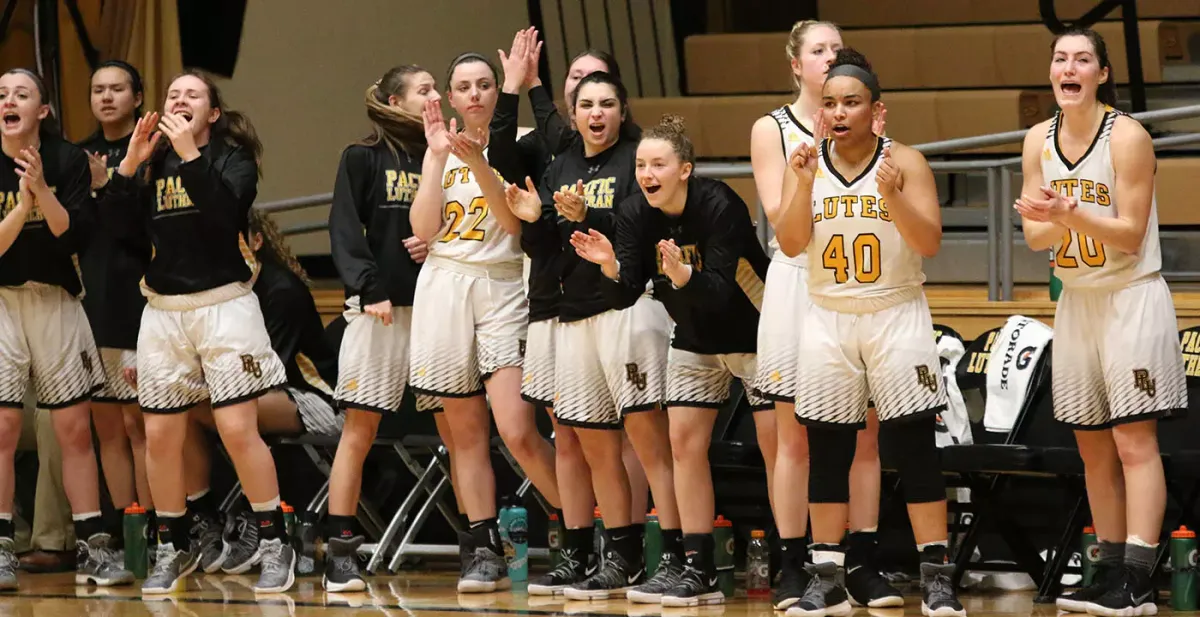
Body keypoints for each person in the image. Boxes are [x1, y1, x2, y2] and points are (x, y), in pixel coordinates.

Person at [775, 48, 964, 617]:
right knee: (827, 448)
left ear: (875, 109)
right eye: (829, 103)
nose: (838, 112)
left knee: (913, 447)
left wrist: (892, 195)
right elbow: (788, 243)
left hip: (895, 311)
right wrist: (803, 183)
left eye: (851, 102)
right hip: (828, 314)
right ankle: (827, 575)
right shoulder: (804, 162)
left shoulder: (905, 161)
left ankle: (936, 576)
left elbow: (930, 241)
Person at [96, 69, 294, 595]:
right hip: (163, 309)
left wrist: (190, 157)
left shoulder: (231, 159)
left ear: (211, 114)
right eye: (172, 94)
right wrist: (130, 166)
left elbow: (223, 215)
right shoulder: (151, 163)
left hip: (224, 304)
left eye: (192, 95)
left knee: (235, 429)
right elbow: (116, 232)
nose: (179, 99)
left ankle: (276, 542)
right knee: (160, 434)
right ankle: (173, 542)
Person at [1015, 28, 1185, 617]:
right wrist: (1060, 218)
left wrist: (1068, 211)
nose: (1069, 67)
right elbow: (1035, 235)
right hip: (1078, 301)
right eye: (1060, 58)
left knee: (1134, 443)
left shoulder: (1129, 136)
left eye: (1082, 59)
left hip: (1130, 297)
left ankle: (1138, 580)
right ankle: (1106, 569)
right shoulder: (1038, 139)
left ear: (1101, 73)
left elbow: (1132, 235)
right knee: (1092, 449)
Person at [571, 115, 770, 606]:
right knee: (683, 445)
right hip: (694, 337)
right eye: (641, 164)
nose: (646, 173)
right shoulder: (636, 212)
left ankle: (792, 562)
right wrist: (611, 266)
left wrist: (682, 277)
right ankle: (695, 567)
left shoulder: (720, 203)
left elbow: (724, 291)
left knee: (780, 451)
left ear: (685, 169)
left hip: (758, 334)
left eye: (658, 163)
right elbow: (625, 295)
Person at [489, 29, 651, 596]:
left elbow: (637, 234)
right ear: (570, 104)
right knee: (569, 432)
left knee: (615, 437)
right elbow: (508, 169)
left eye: (602, 95)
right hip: (558, 307)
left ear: (620, 104)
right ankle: (579, 548)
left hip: (612, 307)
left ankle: (628, 548)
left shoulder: (633, 159)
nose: (592, 105)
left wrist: (586, 219)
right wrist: (536, 218)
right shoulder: (558, 161)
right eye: (579, 92)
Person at [748, 20, 900, 610]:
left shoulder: (864, 123)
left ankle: (860, 561)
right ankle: (794, 562)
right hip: (797, 281)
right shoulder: (774, 129)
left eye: (837, 49)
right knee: (795, 438)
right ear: (796, 64)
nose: (830, 57)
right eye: (818, 50)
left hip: (853, 284)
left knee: (863, 434)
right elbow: (780, 218)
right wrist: (809, 164)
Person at [408, 52, 560, 593]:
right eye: (464, 87)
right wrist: (432, 160)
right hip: (446, 286)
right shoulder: (438, 149)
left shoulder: (521, 143)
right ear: (450, 97)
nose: (474, 94)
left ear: (499, 90)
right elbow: (423, 229)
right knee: (464, 436)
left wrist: (477, 165)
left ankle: (579, 530)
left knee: (517, 429)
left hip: (502, 285)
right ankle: (481, 547)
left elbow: (513, 228)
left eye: (484, 84)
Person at [0, 68, 133, 589]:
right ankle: (4, 548)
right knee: (5, 428)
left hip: (55, 299)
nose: (9, 100)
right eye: (1, 94)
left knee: (74, 429)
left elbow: (72, 235)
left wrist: (39, 189)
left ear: (43, 110)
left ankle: (94, 546)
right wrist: (22, 207)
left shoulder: (67, 160)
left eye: (21, 94)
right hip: (3, 301)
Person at [321, 65, 444, 592]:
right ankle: (341, 549)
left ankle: (480, 544)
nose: (436, 96)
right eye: (425, 89)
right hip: (383, 308)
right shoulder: (363, 157)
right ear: (396, 101)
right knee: (360, 429)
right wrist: (368, 287)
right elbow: (345, 227)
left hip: (440, 308)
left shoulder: (449, 154)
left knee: (456, 431)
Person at [77, 59, 155, 557]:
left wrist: (110, 183)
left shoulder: (154, 151)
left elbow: (142, 229)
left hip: (141, 301)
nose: (107, 97)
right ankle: (126, 529)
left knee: (139, 424)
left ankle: (154, 528)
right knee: (107, 426)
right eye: (98, 89)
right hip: (92, 303)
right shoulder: (73, 156)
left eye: (117, 89)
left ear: (137, 95)